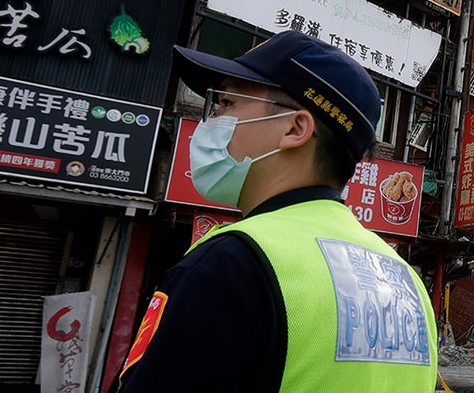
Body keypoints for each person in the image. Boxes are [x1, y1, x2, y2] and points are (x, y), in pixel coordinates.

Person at [118, 30, 438, 392]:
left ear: (295, 128)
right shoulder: (406, 283)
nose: (210, 121)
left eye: (225, 103)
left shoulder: (232, 263)